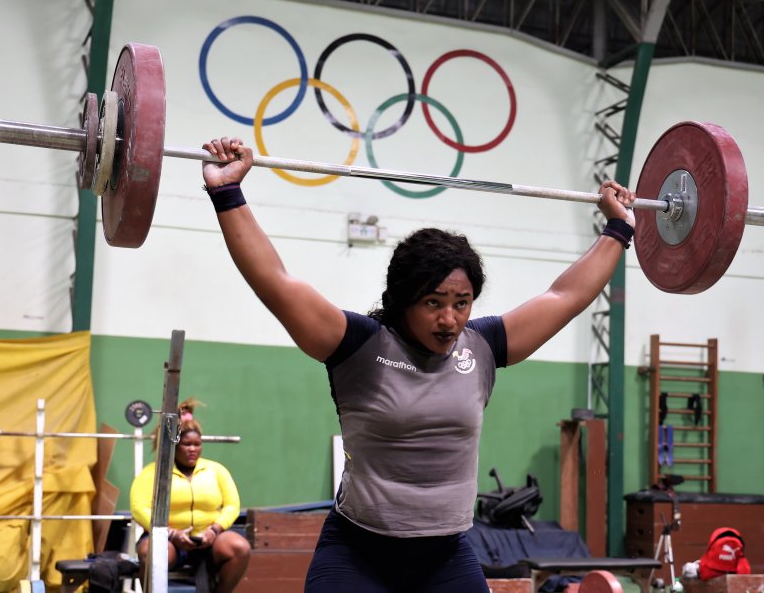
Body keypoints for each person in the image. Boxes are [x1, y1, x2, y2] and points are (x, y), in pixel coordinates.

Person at [201, 136, 636, 593]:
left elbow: (564, 297)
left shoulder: (482, 346)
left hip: (445, 556)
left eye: (462, 303)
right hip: (357, 553)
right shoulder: (358, 347)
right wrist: (228, 192)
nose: (449, 319)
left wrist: (618, 229)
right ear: (403, 300)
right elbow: (275, 281)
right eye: (433, 302)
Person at [129, 398, 250, 592]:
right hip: (169, 541)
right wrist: (171, 533)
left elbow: (232, 504)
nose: (193, 449)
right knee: (152, 553)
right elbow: (139, 507)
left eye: (197, 444)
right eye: (186, 444)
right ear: (174, 445)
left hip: (208, 539)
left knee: (240, 548)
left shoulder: (216, 470)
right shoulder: (153, 473)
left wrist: (215, 530)